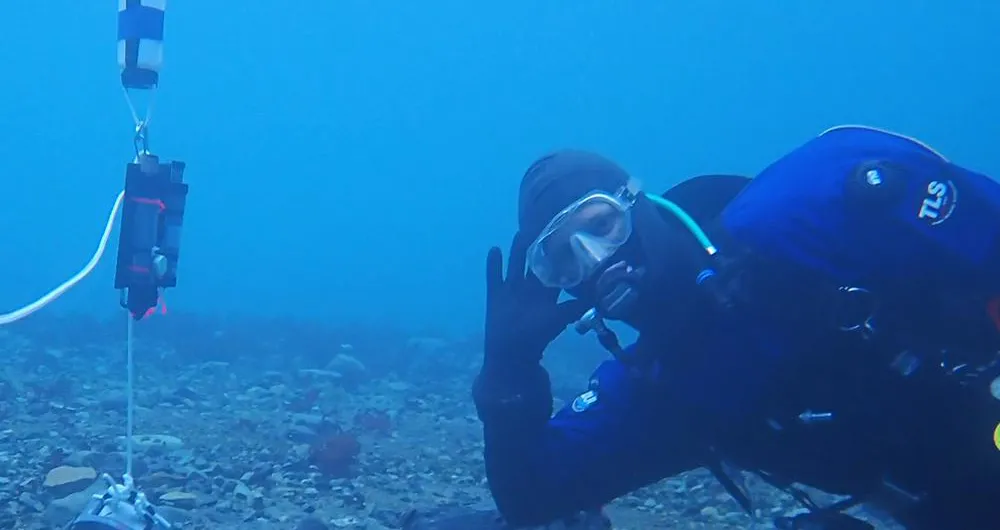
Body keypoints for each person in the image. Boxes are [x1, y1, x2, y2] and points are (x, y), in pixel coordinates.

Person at [472, 125, 1000, 530]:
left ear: (638, 202)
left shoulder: (817, 205)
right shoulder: (664, 388)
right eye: (563, 260)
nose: (594, 262)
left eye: (600, 225)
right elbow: (531, 496)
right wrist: (507, 372)